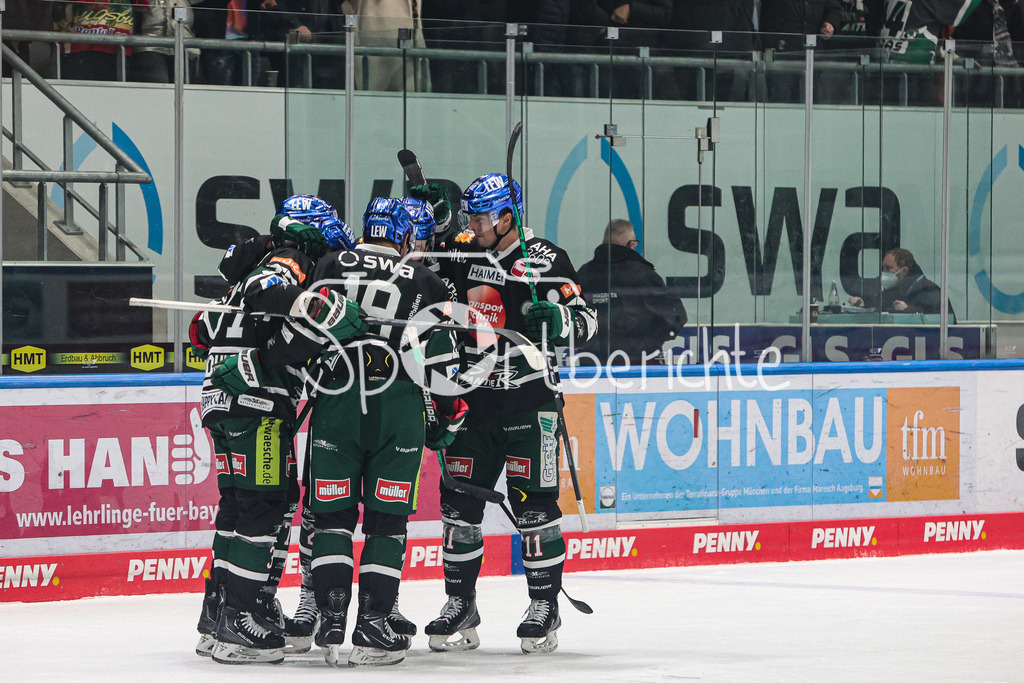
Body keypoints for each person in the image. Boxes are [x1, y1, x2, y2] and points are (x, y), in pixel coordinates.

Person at [220, 197, 461, 667]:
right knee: (386, 522)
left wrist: (258, 359)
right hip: (398, 406)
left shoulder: (327, 264)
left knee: (331, 519)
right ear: (405, 236)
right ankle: (372, 628)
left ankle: (328, 622)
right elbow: (442, 362)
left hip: (335, 400)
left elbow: (292, 324)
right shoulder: (426, 280)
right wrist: (445, 417)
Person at [424, 173, 597, 655]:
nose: (472, 226)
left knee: (535, 509)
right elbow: (418, 262)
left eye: (480, 218)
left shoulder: (544, 258)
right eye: (469, 217)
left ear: (506, 218)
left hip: (527, 403)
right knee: (458, 511)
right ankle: (460, 603)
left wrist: (557, 319)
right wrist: (432, 215)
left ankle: (544, 604)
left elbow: (587, 320)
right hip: (471, 405)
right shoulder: (462, 249)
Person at [191, 204, 365, 664]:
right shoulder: (288, 259)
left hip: (223, 398)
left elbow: (202, 330)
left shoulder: (247, 264)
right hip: (255, 405)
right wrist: (321, 309)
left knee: (246, 504)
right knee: (264, 507)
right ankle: (240, 621)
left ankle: (220, 612)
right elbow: (271, 295)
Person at [576, 219, 686, 365]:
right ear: (631, 244)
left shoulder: (584, 274)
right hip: (640, 361)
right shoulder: (642, 274)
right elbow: (675, 315)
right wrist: (651, 339)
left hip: (593, 363)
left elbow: (572, 315)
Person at [847, 247, 953, 317]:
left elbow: (940, 319)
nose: (883, 273)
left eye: (888, 268)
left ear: (904, 271)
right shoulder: (895, 289)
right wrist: (864, 303)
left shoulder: (930, 291)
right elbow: (879, 303)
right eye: (883, 268)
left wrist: (908, 310)